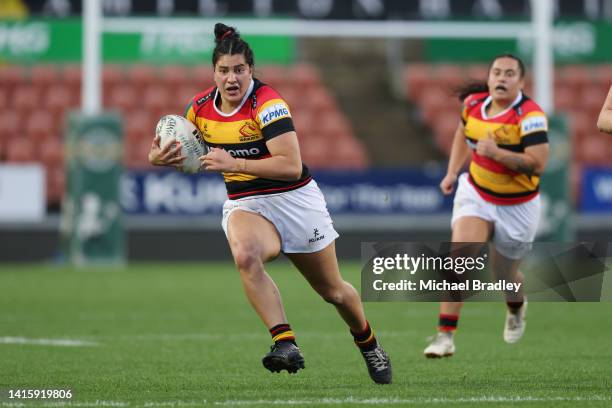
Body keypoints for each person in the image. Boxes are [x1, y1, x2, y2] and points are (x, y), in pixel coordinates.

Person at [148, 23, 392, 384]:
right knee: (246, 256)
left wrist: (235, 163)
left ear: (251, 70)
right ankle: (285, 342)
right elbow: (177, 149)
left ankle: (369, 343)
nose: (231, 78)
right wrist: (159, 157)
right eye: (223, 70)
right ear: (213, 72)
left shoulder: (268, 104)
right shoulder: (199, 108)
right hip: (246, 202)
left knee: (333, 291)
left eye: (239, 70)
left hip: (294, 200)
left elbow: (290, 166)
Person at [423, 54, 550, 358]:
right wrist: (453, 171)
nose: (501, 78)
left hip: (518, 206)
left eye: (509, 74)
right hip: (477, 194)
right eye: (496, 72)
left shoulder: (530, 116)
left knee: (504, 275)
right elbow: (460, 134)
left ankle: (516, 307)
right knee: (458, 260)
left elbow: (538, 165)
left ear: (521, 82)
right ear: (489, 77)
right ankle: (445, 335)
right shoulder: (473, 105)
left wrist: (497, 153)